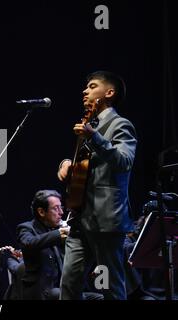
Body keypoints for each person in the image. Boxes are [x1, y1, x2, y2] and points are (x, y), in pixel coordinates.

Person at [58, 71, 137, 300]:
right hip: (81, 216)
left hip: (105, 220)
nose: (85, 90)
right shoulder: (89, 124)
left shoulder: (121, 125)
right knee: (69, 282)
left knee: (108, 286)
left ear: (109, 93)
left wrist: (95, 137)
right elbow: (83, 164)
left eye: (92, 86)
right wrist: (65, 164)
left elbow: (124, 161)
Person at [16, 190, 70, 300]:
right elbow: (28, 243)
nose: (61, 212)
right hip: (43, 292)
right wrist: (60, 233)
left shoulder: (57, 230)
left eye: (61, 207)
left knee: (100, 297)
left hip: (61, 289)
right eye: (56, 208)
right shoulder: (26, 228)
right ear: (41, 212)